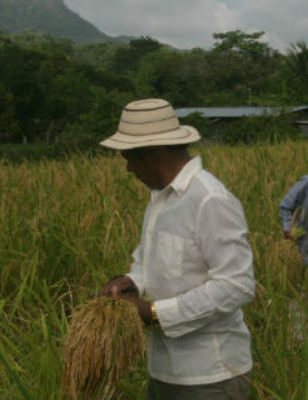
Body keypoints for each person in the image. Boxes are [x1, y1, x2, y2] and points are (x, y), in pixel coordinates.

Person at [99, 98, 254, 400]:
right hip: (163, 368)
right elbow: (148, 262)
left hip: (210, 374)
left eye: (129, 158)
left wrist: (153, 313)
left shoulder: (210, 199)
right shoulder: (160, 199)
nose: (129, 169)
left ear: (153, 153)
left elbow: (237, 286)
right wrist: (131, 282)